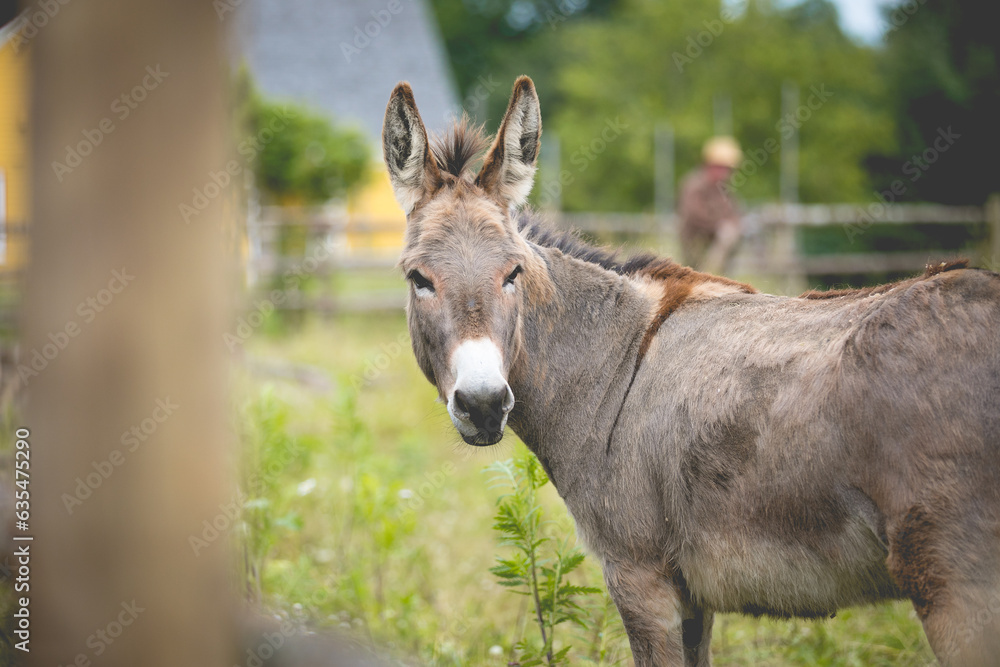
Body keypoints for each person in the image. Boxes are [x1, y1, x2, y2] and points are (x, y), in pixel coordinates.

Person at [677, 136, 743, 275]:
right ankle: (710, 273)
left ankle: (716, 275)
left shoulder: (723, 188)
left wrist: (732, 224)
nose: (725, 173)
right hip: (695, 240)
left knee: (730, 232)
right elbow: (694, 214)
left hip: (712, 240)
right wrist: (719, 225)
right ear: (710, 165)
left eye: (728, 169)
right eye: (721, 168)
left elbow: (733, 213)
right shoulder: (694, 185)